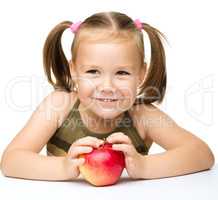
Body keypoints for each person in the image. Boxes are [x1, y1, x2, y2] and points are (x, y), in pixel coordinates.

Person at [0, 11, 215, 181]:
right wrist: (64, 167)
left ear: (141, 74)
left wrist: (144, 166)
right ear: (73, 70)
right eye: (93, 72)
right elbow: (11, 161)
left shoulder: (143, 116)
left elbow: (202, 154)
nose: (107, 86)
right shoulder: (59, 106)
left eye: (122, 73)